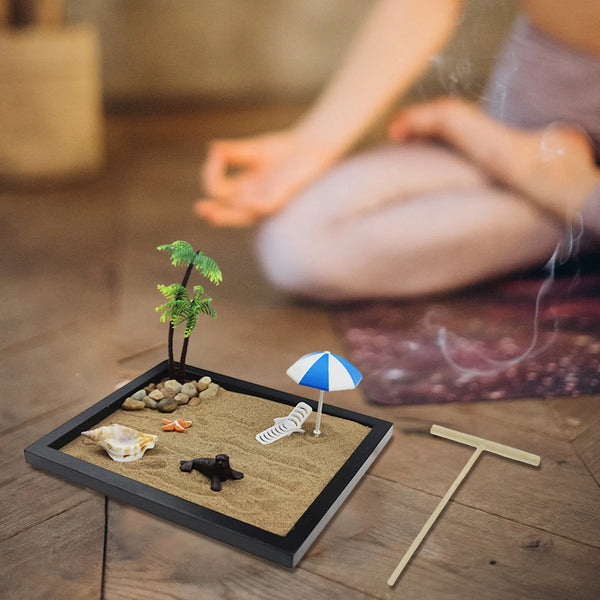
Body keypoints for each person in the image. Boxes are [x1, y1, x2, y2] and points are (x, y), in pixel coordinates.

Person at [195, 0, 600, 300]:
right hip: (519, 127)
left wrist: (577, 193)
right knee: (298, 244)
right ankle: (557, 191)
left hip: (567, 171)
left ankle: (570, 198)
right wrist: (314, 142)